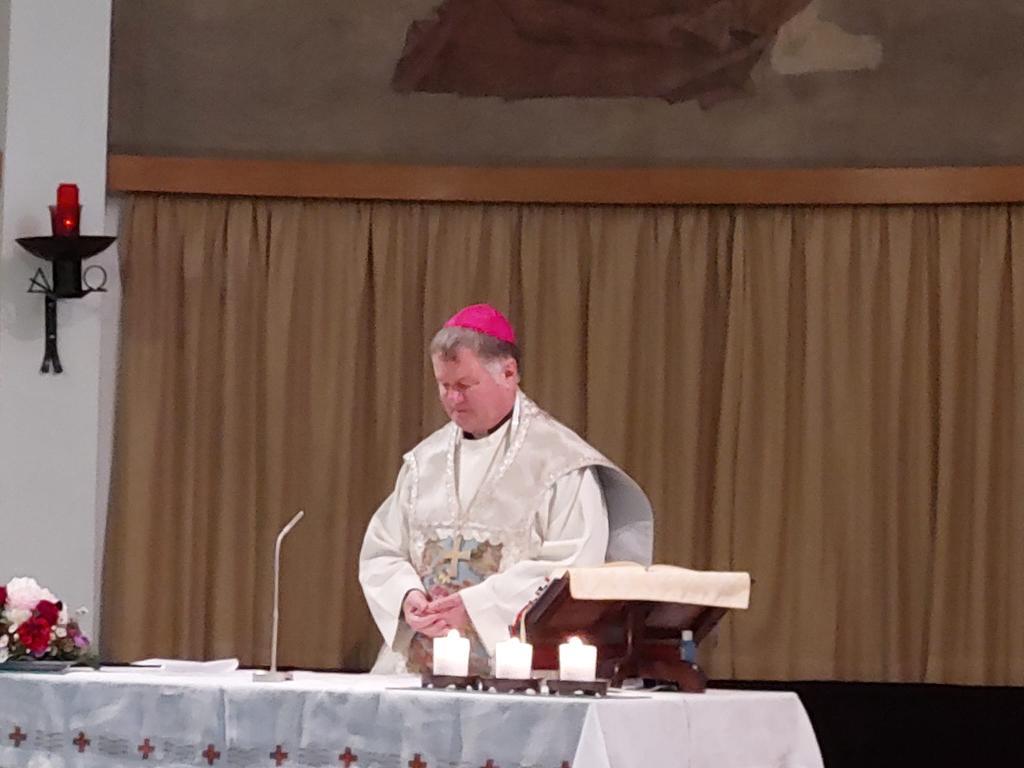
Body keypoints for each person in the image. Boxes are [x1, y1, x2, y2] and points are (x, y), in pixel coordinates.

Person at [358, 303, 652, 674]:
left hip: (517, 672)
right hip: (420, 670)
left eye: (464, 386)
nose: (452, 399)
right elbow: (383, 551)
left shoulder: (558, 463)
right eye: (444, 386)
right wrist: (407, 596)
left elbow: (574, 568)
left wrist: (476, 606)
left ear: (509, 373)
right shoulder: (424, 463)